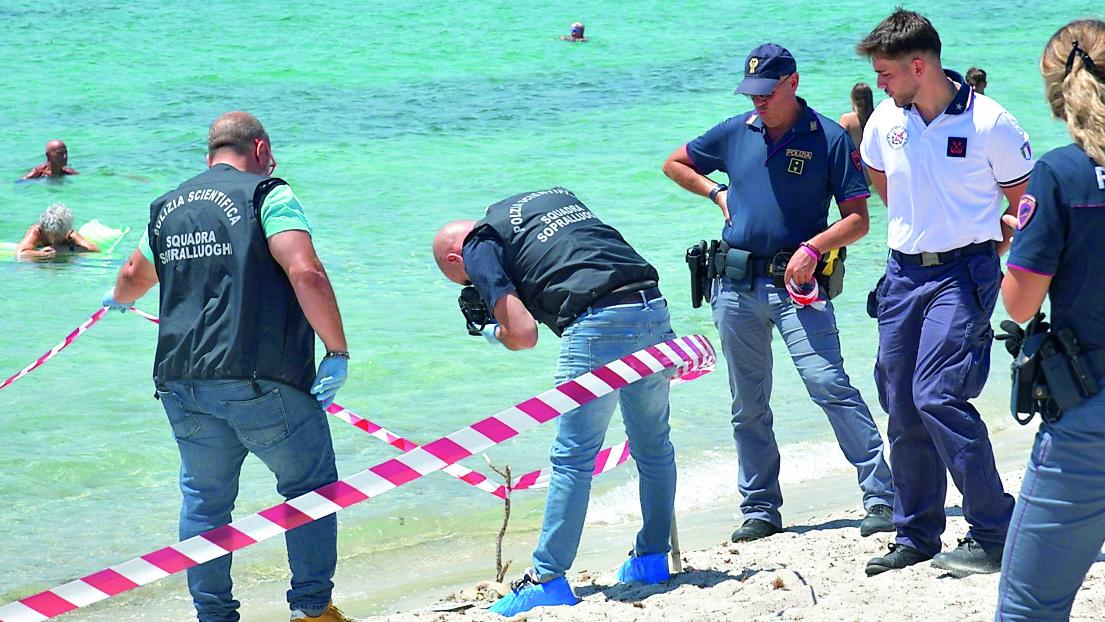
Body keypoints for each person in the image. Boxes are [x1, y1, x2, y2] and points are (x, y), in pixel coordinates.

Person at [101, 111, 354, 622]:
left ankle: (213, 616)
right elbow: (305, 271)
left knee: (205, 503)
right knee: (311, 488)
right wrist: (337, 351)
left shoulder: (168, 208)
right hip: (259, 377)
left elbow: (131, 273)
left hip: (181, 381)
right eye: (272, 157)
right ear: (259, 150)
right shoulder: (269, 194)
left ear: (209, 156)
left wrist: (119, 300)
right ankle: (311, 609)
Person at [661, 43, 895, 545]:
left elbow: (858, 219)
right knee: (747, 403)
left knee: (827, 383)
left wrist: (813, 248)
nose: (758, 102)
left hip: (799, 287)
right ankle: (760, 508)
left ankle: (880, 495)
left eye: (766, 92)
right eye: (752, 93)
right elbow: (675, 163)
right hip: (734, 286)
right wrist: (715, 193)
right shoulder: (733, 131)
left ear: (792, 83)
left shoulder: (829, 139)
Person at [433, 187, 677, 616]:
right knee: (653, 446)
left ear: (457, 260)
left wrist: (493, 332)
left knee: (573, 459)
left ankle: (547, 578)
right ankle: (652, 560)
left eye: (467, 280)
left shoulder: (476, 245)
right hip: (652, 305)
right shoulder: (543, 202)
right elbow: (571, 260)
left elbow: (523, 334)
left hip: (598, 324)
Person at [856, 9, 1033, 577]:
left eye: (885, 73)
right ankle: (917, 534)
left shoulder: (991, 123)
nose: (879, 84)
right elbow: (883, 182)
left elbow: (1025, 206)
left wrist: (985, 253)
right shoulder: (886, 119)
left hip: (965, 274)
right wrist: (919, 230)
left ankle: (995, 529)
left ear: (917, 65)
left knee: (937, 395)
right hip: (902, 275)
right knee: (902, 403)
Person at [995, 20, 1105, 621]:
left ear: (1056, 90)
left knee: (1029, 608)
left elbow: (1018, 305)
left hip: (1091, 408)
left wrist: (1030, 243)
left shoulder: (1061, 173)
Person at [15, 203, 99, 260]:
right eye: (55, 234)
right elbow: (20, 253)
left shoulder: (69, 234)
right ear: (46, 231)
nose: (59, 237)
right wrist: (43, 254)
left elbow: (94, 249)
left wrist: (63, 249)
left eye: (61, 234)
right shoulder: (37, 232)